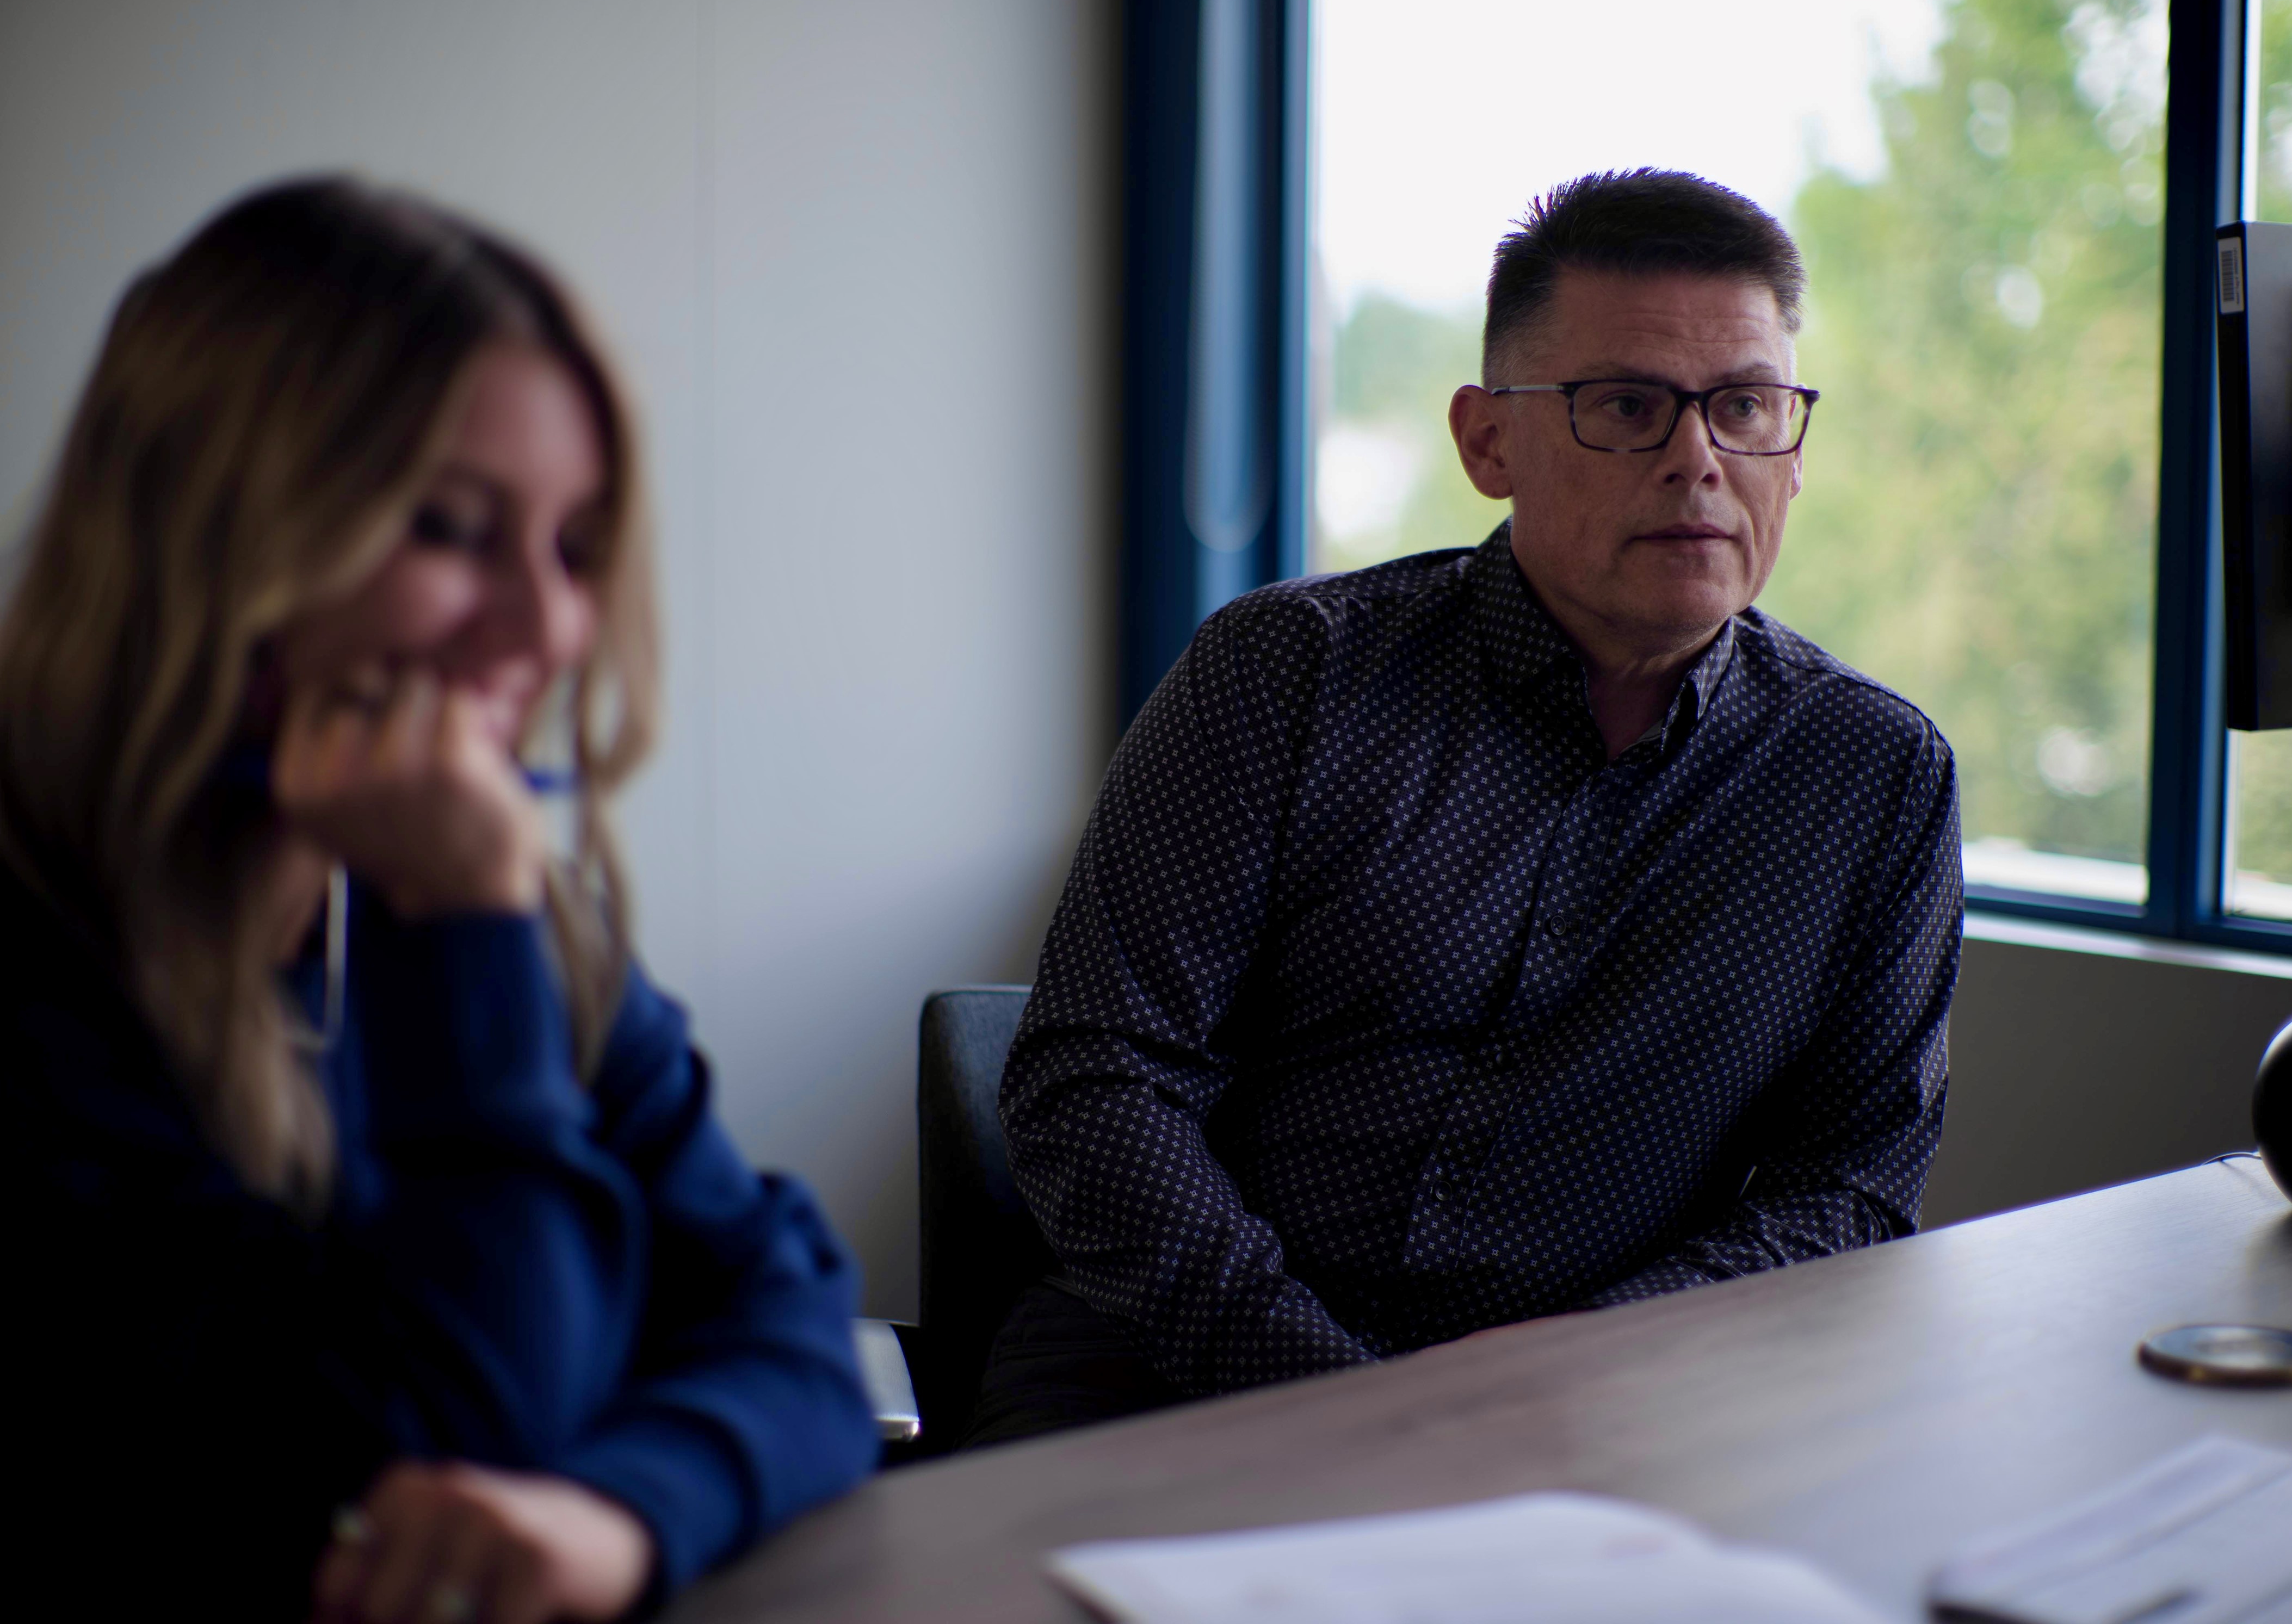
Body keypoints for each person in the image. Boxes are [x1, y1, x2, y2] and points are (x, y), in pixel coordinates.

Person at [4, 179, 874, 1622]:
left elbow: (786, 1316)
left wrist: (621, 1513)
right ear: (220, 527)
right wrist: (459, 933)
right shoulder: (57, 964)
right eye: (452, 528)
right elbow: (419, 1465)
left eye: (576, 548)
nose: (546, 629)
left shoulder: (501, 910)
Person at [977, 169, 1960, 1444]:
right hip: (1180, 1383)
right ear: (1486, 440)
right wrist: (1343, 1403)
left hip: (1605, 1419)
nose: (1698, 461)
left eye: (1747, 407)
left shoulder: (1870, 778)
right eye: (1626, 406)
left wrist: (1586, 1369)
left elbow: (1853, 1189)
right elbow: (1095, 1083)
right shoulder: (1288, 676)